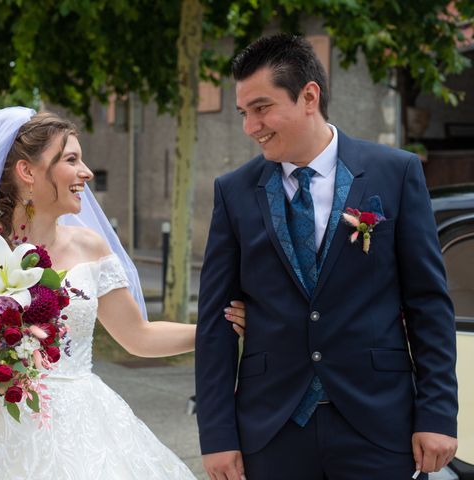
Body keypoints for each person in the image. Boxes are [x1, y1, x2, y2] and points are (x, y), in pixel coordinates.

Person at [0, 107, 247, 479]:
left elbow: (138, 336)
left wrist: (215, 329)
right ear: (27, 172)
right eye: (71, 159)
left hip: (84, 421)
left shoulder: (91, 248)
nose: (87, 172)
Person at [195, 34, 458, 480]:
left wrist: (436, 414)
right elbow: (215, 321)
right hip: (271, 427)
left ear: (309, 96)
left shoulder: (395, 173)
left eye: (261, 108)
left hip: (378, 424)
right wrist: (216, 434)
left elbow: (428, 303)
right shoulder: (233, 191)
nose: (250, 126)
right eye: (244, 113)